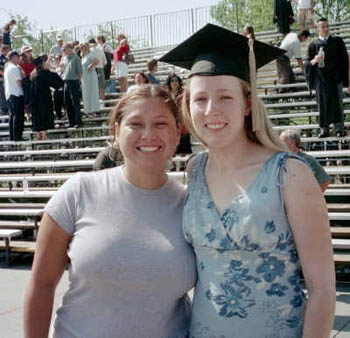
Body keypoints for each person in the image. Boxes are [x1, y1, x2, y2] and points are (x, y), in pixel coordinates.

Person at [161, 23, 335, 338]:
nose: (211, 110)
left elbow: (322, 289)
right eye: (200, 99)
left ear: (247, 104)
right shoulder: (194, 170)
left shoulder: (290, 173)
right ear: (188, 106)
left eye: (225, 97)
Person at [24, 85, 196, 338]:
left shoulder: (191, 205)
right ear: (116, 132)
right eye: (135, 124)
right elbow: (42, 284)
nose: (148, 134)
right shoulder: (79, 191)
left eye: (161, 124)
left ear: (177, 132)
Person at [305, 17, 349, 138]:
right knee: (322, 105)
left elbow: (345, 61)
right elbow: (307, 65)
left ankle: (339, 128)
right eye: (322, 26)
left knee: (337, 104)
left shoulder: (337, 41)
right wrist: (315, 60)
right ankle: (324, 129)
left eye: (327, 26)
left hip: (336, 79)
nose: (325, 29)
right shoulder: (313, 45)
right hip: (321, 81)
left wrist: (347, 82)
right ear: (318, 28)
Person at [30, 56, 64, 140]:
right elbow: (57, 83)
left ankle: (38, 135)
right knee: (43, 115)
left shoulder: (33, 74)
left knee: (37, 116)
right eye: (45, 62)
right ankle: (44, 135)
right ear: (42, 64)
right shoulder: (44, 73)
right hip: (43, 99)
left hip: (34, 100)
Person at [166, 73, 192, 156]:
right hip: (170, 119)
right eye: (172, 81)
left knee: (183, 142)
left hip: (182, 120)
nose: (174, 82)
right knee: (171, 142)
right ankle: (173, 164)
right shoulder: (166, 94)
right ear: (169, 83)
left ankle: (182, 164)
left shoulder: (183, 93)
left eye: (176, 80)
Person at [60, 43, 82, 128]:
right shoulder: (65, 59)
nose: (63, 51)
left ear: (70, 48)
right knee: (67, 102)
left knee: (75, 102)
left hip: (74, 81)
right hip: (66, 81)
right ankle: (71, 121)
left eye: (64, 49)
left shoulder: (76, 58)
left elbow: (80, 72)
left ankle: (78, 122)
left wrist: (79, 83)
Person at [4, 51, 25, 141]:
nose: (19, 59)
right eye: (17, 57)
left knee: (12, 116)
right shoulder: (15, 68)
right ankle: (17, 137)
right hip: (17, 94)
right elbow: (19, 82)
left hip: (9, 94)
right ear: (13, 58)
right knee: (18, 116)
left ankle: (12, 137)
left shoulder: (7, 68)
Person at [80, 43, 100, 114]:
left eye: (82, 47)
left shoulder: (90, 55)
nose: (81, 49)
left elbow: (97, 61)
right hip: (85, 77)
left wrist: (91, 65)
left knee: (92, 92)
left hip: (90, 76)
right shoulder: (83, 57)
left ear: (86, 47)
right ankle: (89, 111)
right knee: (86, 93)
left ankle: (95, 110)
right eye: (80, 47)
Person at [19, 46, 35, 119]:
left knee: (32, 96)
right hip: (25, 80)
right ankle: (27, 113)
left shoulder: (33, 60)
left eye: (29, 51)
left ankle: (32, 112)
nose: (28, 52)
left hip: (33, 80)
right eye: (27, 51)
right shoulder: (20, 61)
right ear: (23, 53)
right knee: (26, 97)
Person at [88, 38, 107, 103]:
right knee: (101, 87)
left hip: (91, 69)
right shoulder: (100, 49)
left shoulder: (89, 51)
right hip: (100, 68)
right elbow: (105, 62)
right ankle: (102, 104)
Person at [0, 44, 10, 118]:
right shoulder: (1, 58)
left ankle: (7, 108)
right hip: (1, 79)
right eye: (7, 50)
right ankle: (4, 110)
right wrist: (5, 75)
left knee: (6, 93)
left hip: (7, 80)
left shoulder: (7, 58)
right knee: (3, 94)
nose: (8, 51)